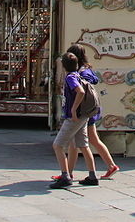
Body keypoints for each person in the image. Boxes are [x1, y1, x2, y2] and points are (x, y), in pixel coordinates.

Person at [65, 44, 119, 180]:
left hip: (83, 111)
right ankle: (111, 165)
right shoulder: (86, 69)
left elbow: (84, 87)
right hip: (88, 110)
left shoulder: (81, 72)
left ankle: (68, 172)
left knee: (76, 142)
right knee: (92, 140)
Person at [49, 52, 99, 189]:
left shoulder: (70, 77)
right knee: (83, 145)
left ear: (64, 66)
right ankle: (92, 175)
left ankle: (65, 175)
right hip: (83, 116)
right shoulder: (77, 74)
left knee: (58, 145)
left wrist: (73, 109)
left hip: (74, 117)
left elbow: (80, 91)